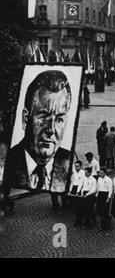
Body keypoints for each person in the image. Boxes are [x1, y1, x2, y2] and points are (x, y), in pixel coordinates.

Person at [3, 70, 72, 198]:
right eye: (43, 117)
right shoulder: (9, 164)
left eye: (59, 119)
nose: (51, 130)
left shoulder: (69, 164)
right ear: (25, 119)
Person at [69, 160, 85, 227]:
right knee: (74, 205)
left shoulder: (83, 173)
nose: (76, 167)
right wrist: (70, 191)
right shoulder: (74, 173)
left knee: (80, 206)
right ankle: (77, 218)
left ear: (81, 166)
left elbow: (81, 183)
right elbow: (72, 182)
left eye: (78, 166)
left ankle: (79, 220)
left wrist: (78, 192)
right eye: (75, 166)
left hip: (80, 189)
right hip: (74, 188)